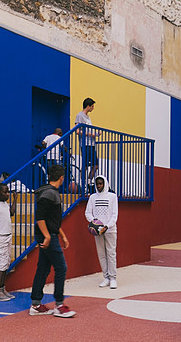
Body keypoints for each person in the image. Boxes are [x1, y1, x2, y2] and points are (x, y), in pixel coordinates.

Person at [29, 164, 76, 318]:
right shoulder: (49, 194)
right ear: (61, 178)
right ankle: (59, 305)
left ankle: (35, 305)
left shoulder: (49, 192)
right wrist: (48, 236)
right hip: (47, 236)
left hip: (50, 233)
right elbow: (40, 217)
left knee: (43, 268)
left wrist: (62, 235)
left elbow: (52, 219)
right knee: (61, 267)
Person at [84, 174, 119, 289]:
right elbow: (88, 212)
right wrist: (94, 223)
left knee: (111, 253)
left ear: (105, 184)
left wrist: (106, 226)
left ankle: (113, 278)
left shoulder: (112, 197)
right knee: (101, 254)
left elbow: (114, 215)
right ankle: (106, 277)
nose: (99, 186)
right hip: (97, 231)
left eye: (101, 183)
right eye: (97, 184)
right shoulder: (92, 197)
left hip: (110, 230)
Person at [75, 97, 98, 188]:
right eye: (92, 106)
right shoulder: (80, 115)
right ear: (88, 106)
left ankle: (88, 181)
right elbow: (77, 131)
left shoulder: (88, 117)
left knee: (95, 165)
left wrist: (96, 134)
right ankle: (83, 183)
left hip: (91, 143)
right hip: (85, 144)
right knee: (85, 164)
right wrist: (89, 134)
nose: (93, 108)